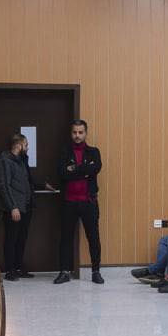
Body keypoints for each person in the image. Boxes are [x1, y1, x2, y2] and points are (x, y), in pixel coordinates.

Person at [54, 119, 103, 285]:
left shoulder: (94, 152)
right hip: (69, 202)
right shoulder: (64, 152)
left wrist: (73, 168)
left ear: (85, 133)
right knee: (66, 238)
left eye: (80, 132)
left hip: (89, 202)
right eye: (74, 132)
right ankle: (64, 271)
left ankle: (96, 271)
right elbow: (61, 173)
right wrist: (83, 170)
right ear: (71, 133)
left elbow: (96, 168)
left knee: (93, 237)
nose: (77, 135)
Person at [0, 133, 35, 280]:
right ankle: (10, 270)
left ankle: (19, 267)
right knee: (11, 239)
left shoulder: (21, 161)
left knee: (21, 238)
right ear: (19, 146)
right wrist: (13, 207)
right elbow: (4, 186)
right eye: (26, 145)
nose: (28, 148)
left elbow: (25, 181)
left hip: (25, 206)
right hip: (14, 208)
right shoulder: (5, 161)